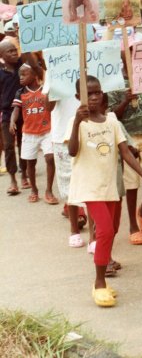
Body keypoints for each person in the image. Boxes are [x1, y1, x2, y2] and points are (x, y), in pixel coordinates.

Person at [66, 76, 142, 307]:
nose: (94, 97)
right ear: (78, 98)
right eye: (89, 94)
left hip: (109, 186)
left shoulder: (112, 121)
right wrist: (76, 122)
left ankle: (103, 273)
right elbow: (72, 151)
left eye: (97, 93)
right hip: (89, 186)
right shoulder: (77, 122)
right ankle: (99, 282)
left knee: (112, 230)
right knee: (104, 230)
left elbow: (124, 151)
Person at [107, 58, 142, 246]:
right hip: (126, 140)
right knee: (131, 183)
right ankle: (133, 227)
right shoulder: (114, 85)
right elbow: (113, 115)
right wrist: (126, 100)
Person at [45, 78, 86, 247]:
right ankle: (74, 230)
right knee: (69, 184)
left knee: (89, 180)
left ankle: (97, 233)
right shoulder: (54, 70)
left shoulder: (88, 60)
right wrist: (54, 86)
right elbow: (49, 107)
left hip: (90, 129)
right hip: (63, 136)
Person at [10, 64, 56, 204]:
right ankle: (34, 189)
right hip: (29, 132)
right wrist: (12, 121)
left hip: (47, 130)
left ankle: (49, 190)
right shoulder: (21, 92)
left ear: (35, 74)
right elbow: (16, 110)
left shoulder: (45, 90)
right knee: (30, 162)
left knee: (49, 158)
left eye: (24, 74)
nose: (21, 78)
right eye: (20, 75)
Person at [0, 40, 29, 195]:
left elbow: (27, 54)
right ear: (1, 55)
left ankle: (24, 174)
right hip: (6, 114)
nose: (13, 53)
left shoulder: (21, 66)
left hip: (24, 111)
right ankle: (13, 180)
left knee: (24, 143)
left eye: (14, 50)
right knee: (9, 146)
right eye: (9, 51)